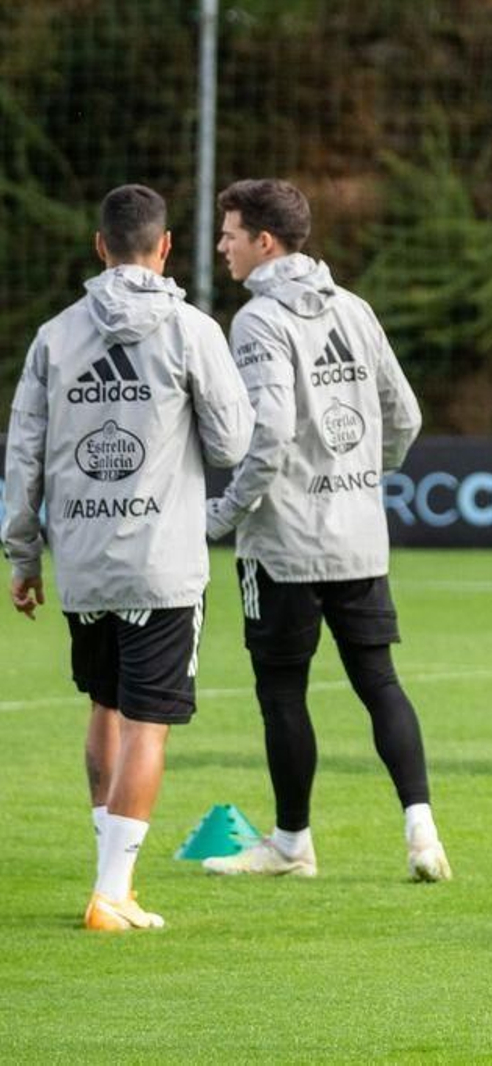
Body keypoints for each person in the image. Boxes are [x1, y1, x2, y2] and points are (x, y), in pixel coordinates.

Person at [3, 184, 253, 930]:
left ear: (99, 245)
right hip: (161, 563)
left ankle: (111, 872)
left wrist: (23, 554)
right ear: (167, 245)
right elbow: (234, 443)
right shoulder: (190, 329)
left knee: (103, 705)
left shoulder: (55, 335)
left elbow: (23, 455)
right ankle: (111, 891)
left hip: (82, 559)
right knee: (148, 723)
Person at [201, 178, 450, 882]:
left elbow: (271, 431)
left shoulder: (256, 323)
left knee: (282, 691)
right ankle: (422, 835)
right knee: (379, 681)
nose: (222, 245)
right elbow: (404, 416)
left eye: (231, 233)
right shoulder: (355, 309)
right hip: (359, 538)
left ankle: (291, 844)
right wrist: (362, 480)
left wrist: (225, 512)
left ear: (265, 242)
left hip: (284, 544)